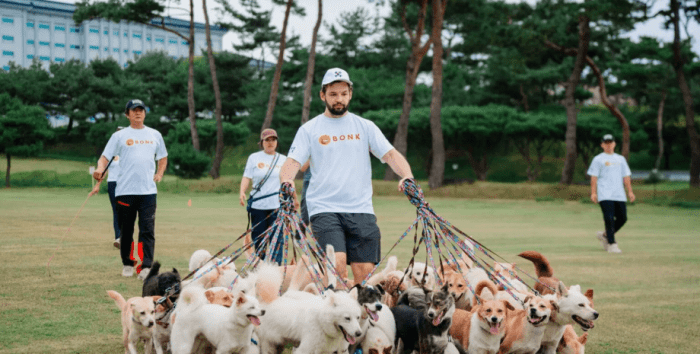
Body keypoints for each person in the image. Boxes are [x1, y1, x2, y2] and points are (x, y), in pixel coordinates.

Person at [279, 68, 414, 284]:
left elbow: (390, 154)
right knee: (336, 266)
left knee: (365, 277)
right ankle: (335, 313)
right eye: (333, 94)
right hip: (324, 208)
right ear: (323, 95)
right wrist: (286, 182)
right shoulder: (309, 129)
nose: (339, 99)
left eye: (343, 93)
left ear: (350, 94)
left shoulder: (365, 126)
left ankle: (360, 316)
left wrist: (407, 176)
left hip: (361, 209)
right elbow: (292, 162)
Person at [93, 99, 168, 279]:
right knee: (126, 231)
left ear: (144, 113)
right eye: (134, 110)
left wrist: (159, 173)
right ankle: (128, 263)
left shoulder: (154, 134)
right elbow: (104, 157)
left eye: (141, 110)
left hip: (148, 192)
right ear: (127, 114)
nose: (138, 113)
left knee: (147, 231)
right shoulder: (119, 136)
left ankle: (145, 267)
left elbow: (163, 157)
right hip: (125, 191)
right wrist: (99, 169)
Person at [240, 129, 287, 264]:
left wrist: (293, 198)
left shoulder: (283, 159)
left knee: (277, 240)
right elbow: (246, 177)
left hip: (277, 207)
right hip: (258, 207)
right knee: (259, 240)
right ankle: (260, 268)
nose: (270, 143)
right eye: (267, 140)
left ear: (277, 142)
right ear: (262, 142)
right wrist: (242, 192)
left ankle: (275, 270)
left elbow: (288, 181)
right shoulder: (254, 158)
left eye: (273, 140)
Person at [587, 134, 635, 254]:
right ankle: (612, 244)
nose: (608, 145)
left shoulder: (620, 159)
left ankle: (605, 235)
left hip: (619, 193)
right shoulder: (598, 159)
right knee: (608, 218)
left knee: (622, 218)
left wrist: (630, 191)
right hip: (605, 193)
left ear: (614, 144)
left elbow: (626, 176)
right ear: (602, 145)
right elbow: (594, 177)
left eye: (610, 143)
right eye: (606, 143)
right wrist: (593, 193)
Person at [90, 126, 125, 249]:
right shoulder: (111, 153)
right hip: (113, 184)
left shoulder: (129, 152)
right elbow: (103, 171)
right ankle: (119, 238)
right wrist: (97, 186)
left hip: (126, 184)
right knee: (116, 211)